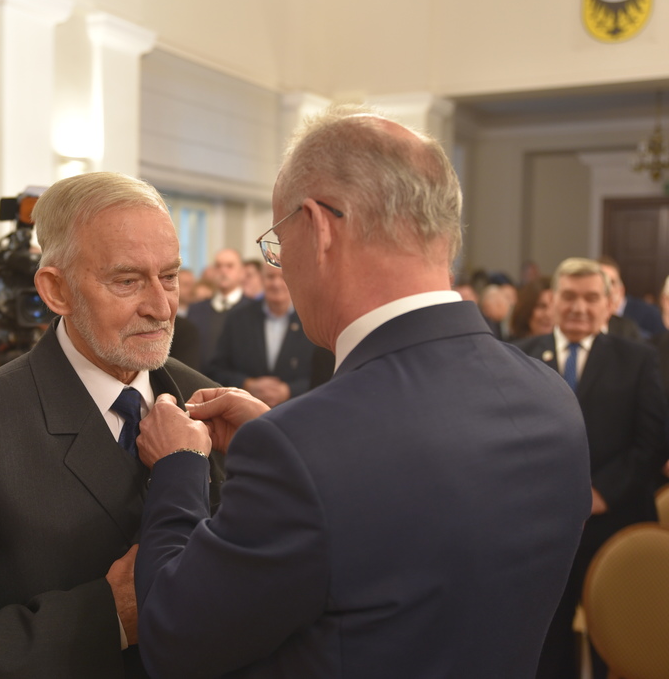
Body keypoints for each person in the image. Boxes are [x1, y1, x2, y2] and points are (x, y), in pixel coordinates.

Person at [132, 107, 592, 679]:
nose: (282, 267)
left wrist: (179, 465)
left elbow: (173, 637)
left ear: (318, 228)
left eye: (279, 242)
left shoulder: (308, 450)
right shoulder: (552, 396)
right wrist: (284, 440)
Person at [0, 171, 224, 678]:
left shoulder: (208, 400)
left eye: (169, 276)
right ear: (56, 290)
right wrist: (110, 616)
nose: (160, 307)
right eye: (127, 281)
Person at [516, 257, 669, 679]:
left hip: (614, 524)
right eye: (569, 296)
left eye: (590, 297)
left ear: (608, 304)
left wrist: (600, 493)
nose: (579, 307)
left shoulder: (637, 359)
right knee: (546, 647)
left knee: (617, 645)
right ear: (553, 300)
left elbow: (651, 441)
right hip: (541, 529)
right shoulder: (520, 356)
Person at [207, 263, 315, 406]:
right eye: (270, 277)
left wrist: (289, 390)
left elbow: (322, 375)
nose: (276, 283)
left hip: (297, 409)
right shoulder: (238, 319)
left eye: (283, 277)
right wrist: (247, 384)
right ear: (261, 279)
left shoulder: (310, 320)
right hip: (246, 410)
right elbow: (216, 370)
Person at [187, 248, 254, 368]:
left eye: (229, 266)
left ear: (242, 272)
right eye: (218, 266)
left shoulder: (252, 310)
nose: (223, 271)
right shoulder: (196, 310)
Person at [599, 255, 666, 340]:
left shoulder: (650, 313)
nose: (608, 288)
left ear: (621, 289)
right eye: (602, 282)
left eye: (612, 282)